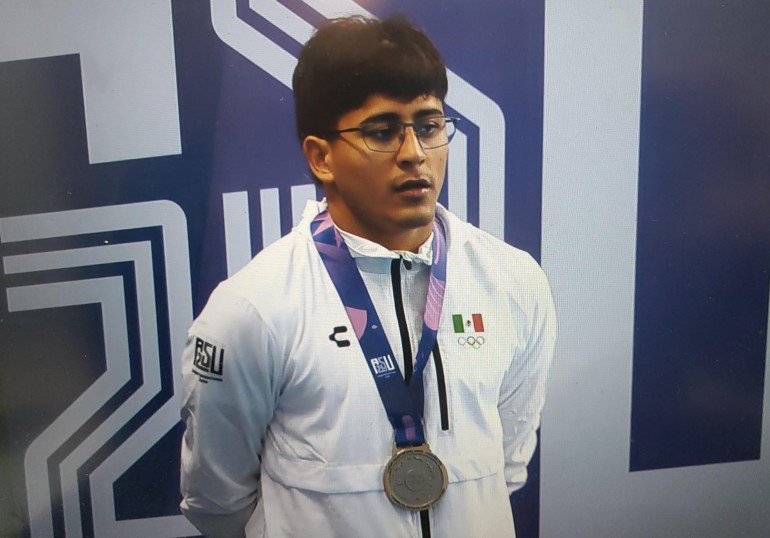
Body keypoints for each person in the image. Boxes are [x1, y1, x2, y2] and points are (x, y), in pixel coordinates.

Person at [180, 14, 556, 538]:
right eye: (382, 132)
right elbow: (216, 503)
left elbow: (506, 465)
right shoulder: (253, 310)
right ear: (322, 157)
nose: (414, 154)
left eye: (429, 126)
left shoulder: (514, 280)